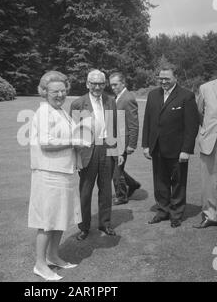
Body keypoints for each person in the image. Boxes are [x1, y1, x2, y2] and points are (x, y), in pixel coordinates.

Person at [28, 71, 89, 281]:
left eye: (63, 90)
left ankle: (53, 256)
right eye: (55, 91)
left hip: (63, 171)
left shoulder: (61, 111)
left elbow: (69, 136)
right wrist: (74, 142)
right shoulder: (44, 112)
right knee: (47, 221)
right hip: (48, 173)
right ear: (44, 92)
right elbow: (46, 142)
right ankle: (40, 264)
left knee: (59, 218)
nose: (60, 94)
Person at [142, 64, 199, 228]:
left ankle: (176, 214)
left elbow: (191, 126)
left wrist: (186, 150)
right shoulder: (153, 95)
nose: (163, 81)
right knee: (160, 182)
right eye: (161, 78)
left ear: (175, 78)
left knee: (178, 183)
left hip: (177, 150)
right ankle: (162, 211)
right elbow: (148, 121)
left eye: (167, 78)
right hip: (157, 148)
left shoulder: (186, 96)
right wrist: (146, 145)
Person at [70, 69, 123, 241]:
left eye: (101, 83)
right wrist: (76, 157)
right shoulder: (78, 104)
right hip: (87, 151)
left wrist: (117, 151)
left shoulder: (110, 100)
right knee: (85, 191)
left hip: (107, 149)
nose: (98, 87)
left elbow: (114, 128)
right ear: (87, 84)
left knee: (106, 190)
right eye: (94, 83)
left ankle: (105, 223)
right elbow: (75, 134)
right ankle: (84, 227)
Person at [194, 55, 217, 229]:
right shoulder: (205, 88)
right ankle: (209, 215)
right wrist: (205, 129)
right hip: (209, 137)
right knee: (208, 178)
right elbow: (199, 112)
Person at [109, 72, 141, 205]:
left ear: (123, 83)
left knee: (116, 170)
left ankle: (121, 196)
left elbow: (134, 124)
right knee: (115, 168)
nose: (113, 87)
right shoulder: (118, 97)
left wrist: (132, 145)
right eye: (111, 85)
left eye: (115, 84)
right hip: (113, 140)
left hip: (123, 141)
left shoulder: (128, 99)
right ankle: (132, 184)